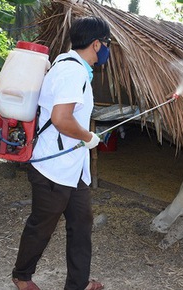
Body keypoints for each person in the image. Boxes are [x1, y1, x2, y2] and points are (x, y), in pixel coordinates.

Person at [12, 16, 111, 290]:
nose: (107, 49)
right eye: (106, 44)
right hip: (53, 169)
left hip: (74, 170)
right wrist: (89, 137)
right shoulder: (73, 72)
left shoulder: (72, 67)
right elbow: (61, 119)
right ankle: (21, 276)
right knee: (42, 225)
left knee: (81, 224)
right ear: (96, 44)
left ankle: (78, 284)